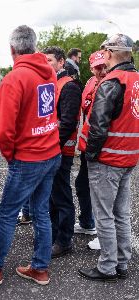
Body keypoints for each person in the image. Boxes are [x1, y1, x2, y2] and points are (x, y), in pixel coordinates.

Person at [0, 25, 61, 286]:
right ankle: (40, 268)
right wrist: (6, 102)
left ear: (12, 50)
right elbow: (41, 109)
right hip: (51, 152)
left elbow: (6, 132)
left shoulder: (15, 78)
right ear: (34, 46)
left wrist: (11, 157)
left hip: (29, 158)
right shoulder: (49, 73)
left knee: (7, 214)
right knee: (41, 213)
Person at [78, 33, 139, 282]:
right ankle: (122, 262)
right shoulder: (136, 79)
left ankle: (107, 266)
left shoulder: (112, 82)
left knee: (104, 215)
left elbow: (98, 125)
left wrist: (91, 155)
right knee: (121, 214)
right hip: (129, 157)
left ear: (110, 53)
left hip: (108, 159)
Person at [42, 46, 82, 258]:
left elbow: (67, 123)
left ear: (61, 62)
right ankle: (54, 234)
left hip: (60, 150)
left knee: (61, 195)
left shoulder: (70, 87)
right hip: (49, 150)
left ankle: (64, 240)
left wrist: (51, 146)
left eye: (49, 60)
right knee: (51, 196)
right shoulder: (52, 84)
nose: (46, 64)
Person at [74, 50, 107, 250]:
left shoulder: (111, 84)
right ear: (91, 67)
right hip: (89, 145)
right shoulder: (89, 83)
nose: (101, 70)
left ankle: (104, 237)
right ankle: (88, 223)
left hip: (103, 147)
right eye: (97, 67)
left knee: (101, 193)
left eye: (104, 66)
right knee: (82, 185)